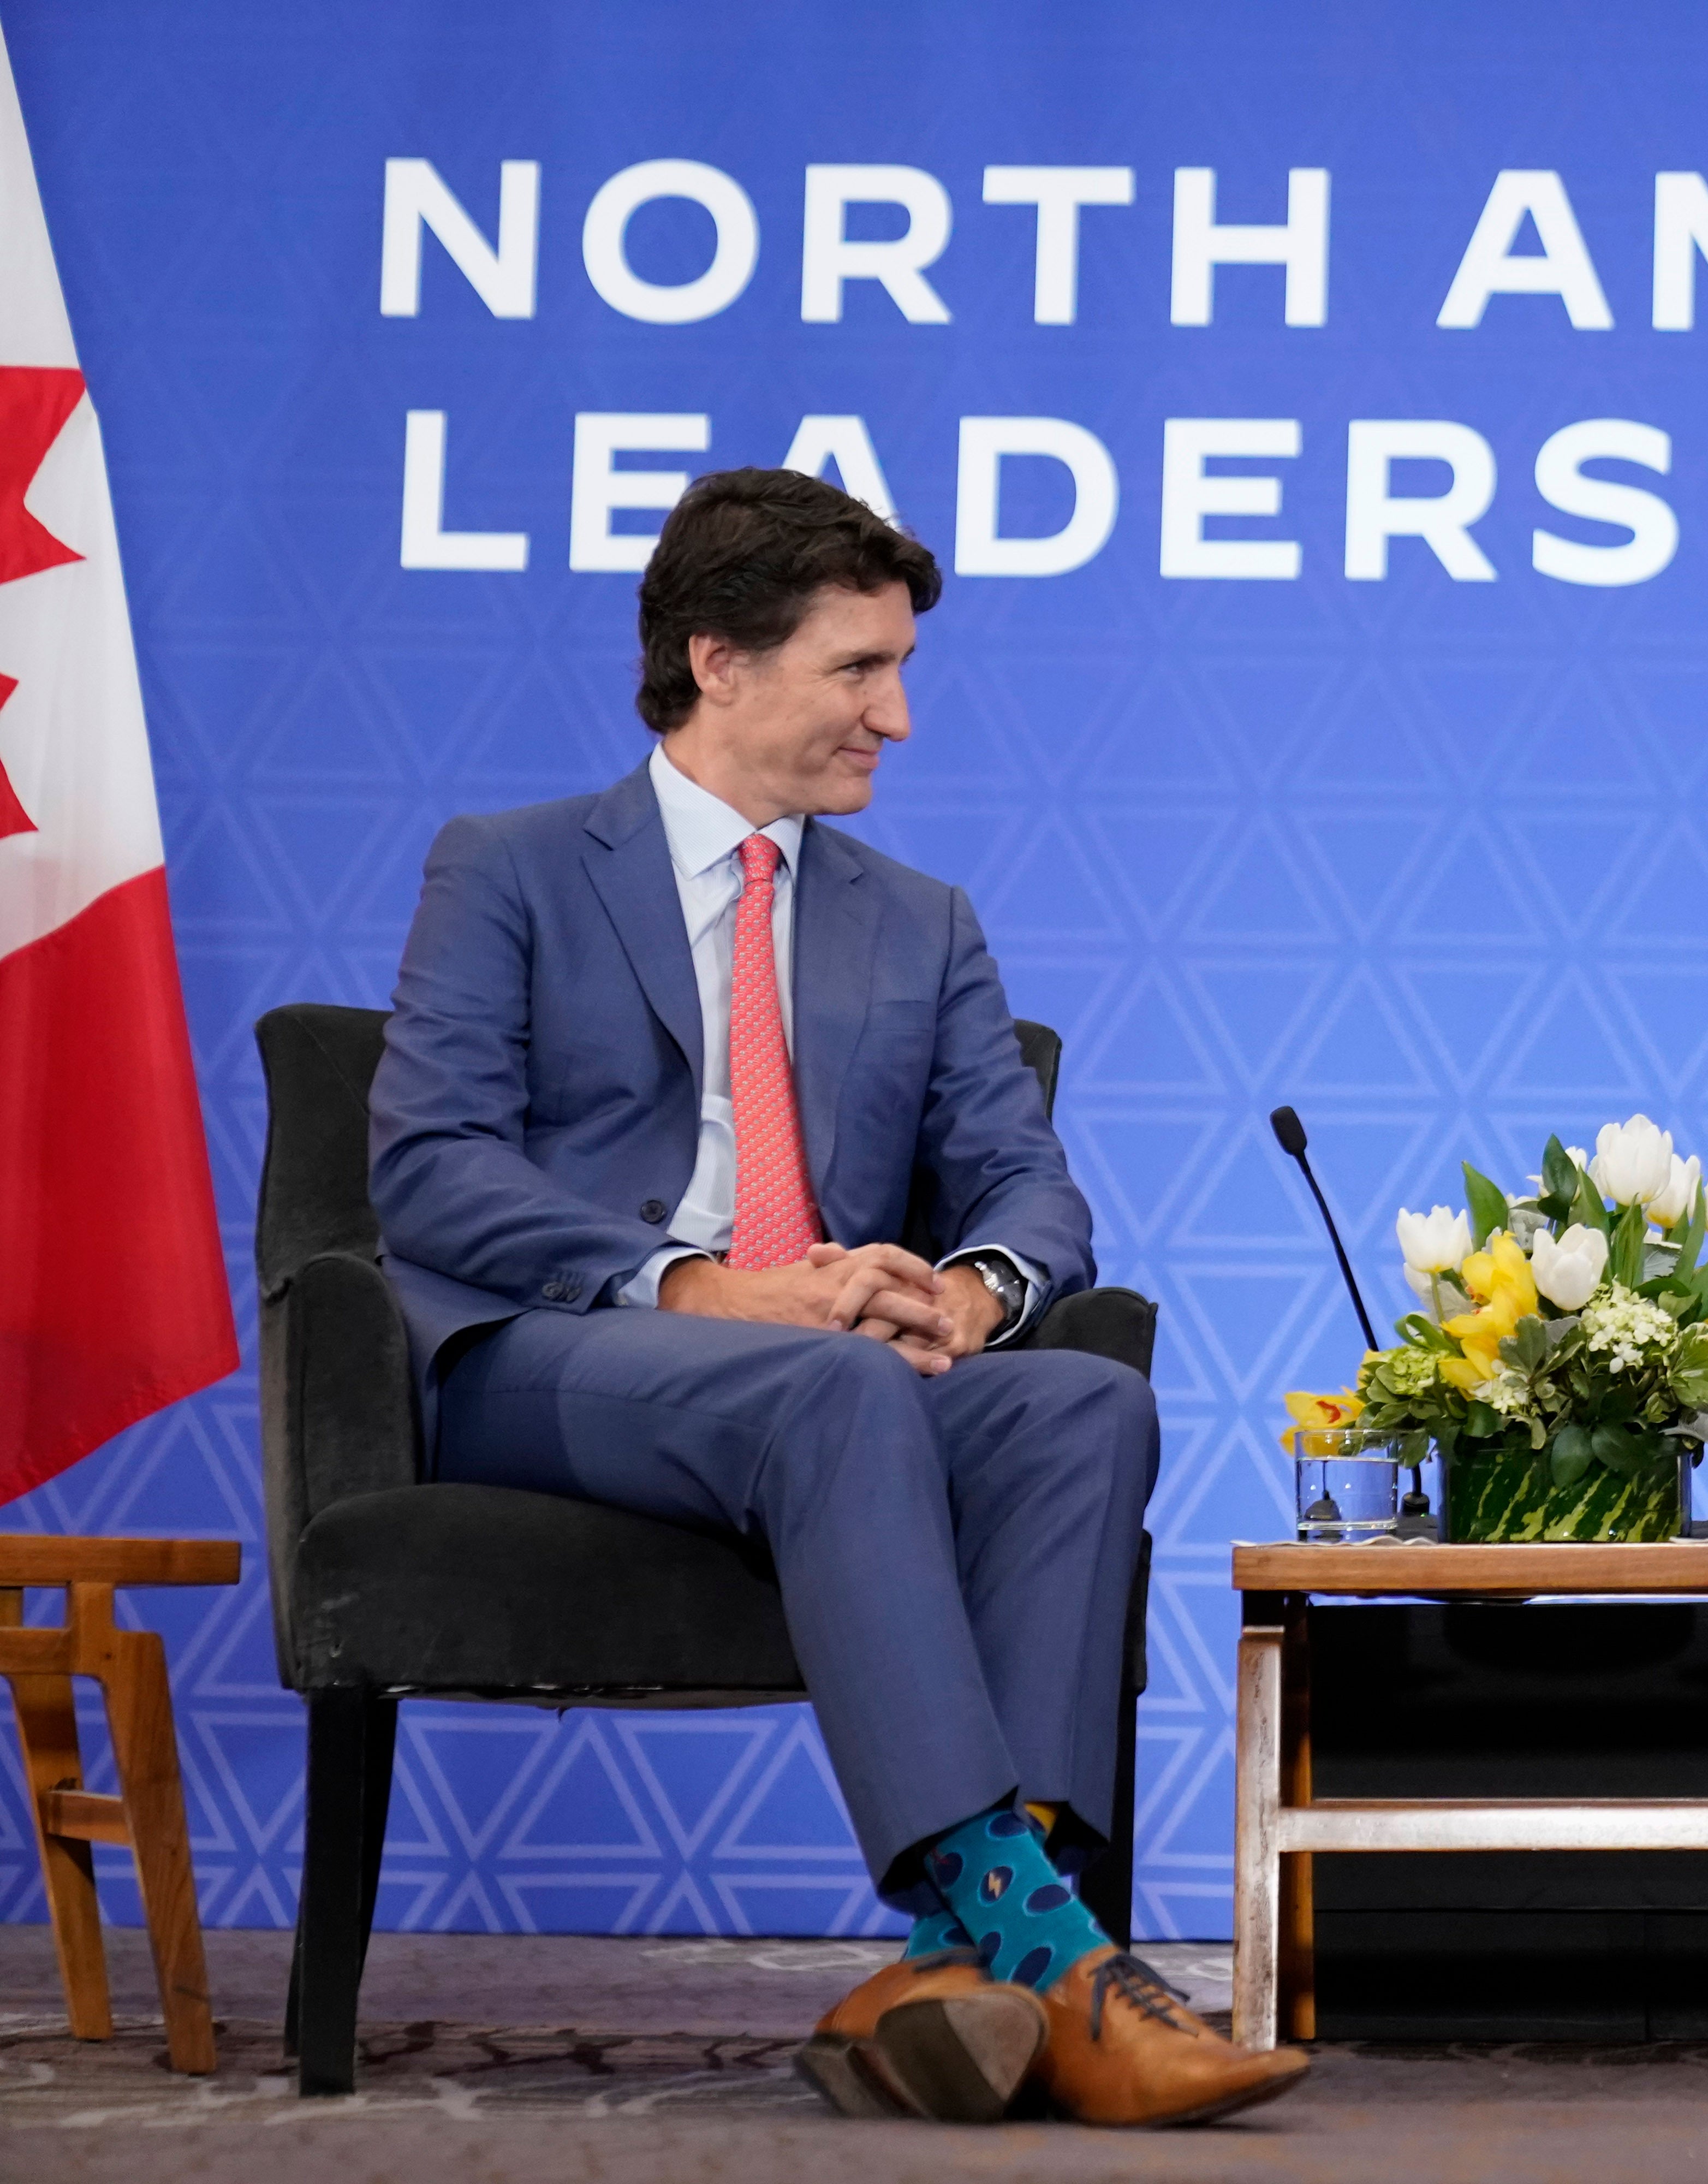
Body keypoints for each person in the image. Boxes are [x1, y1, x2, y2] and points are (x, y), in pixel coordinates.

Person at [368, 467, 1307, 2130]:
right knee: (833, 1381)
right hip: (560, 1366)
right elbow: (431, 1168)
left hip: (832, 1374)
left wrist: (969, 1292)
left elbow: (1029, 1184)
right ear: (719, 661)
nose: (901, 716)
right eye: (860, 670)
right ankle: (1064, 1959)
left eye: (901, 669)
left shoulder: (921, 923)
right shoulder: (508, 869)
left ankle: (960, 1968)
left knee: (1082, 1397)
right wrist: (705, 1286)